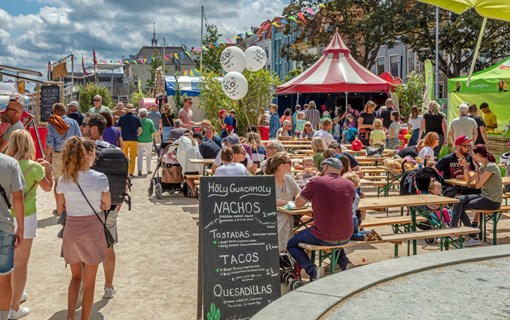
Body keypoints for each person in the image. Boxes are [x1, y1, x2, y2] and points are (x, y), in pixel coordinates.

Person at [55, 137, 110, 320]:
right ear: (87, 154)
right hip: (92, 229)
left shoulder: (63, 179)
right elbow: (107, 204)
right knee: (89, 283)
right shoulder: (100, 178)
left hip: (72, 229)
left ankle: (71, 317)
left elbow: (60, 207)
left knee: (75, 278)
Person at [6, 130, 52, 319]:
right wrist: (48, 169)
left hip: (4, 216)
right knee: (21, 263)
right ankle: (14, 307)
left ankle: (12, 294)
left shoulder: (4, 165)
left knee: (6, 261)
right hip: (26, 217)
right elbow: (48, 187)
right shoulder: (35, 167)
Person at [287, 158, 355, 280]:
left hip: (324, 234)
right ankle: (345, 263)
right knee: (334, 231)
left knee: (291, 244)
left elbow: (298, 203)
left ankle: (312, 270)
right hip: (347, 234)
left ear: (325, 167)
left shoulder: (316, 181)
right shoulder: (350, 184)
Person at [81, 113, 126, 300]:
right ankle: (108, 287)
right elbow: (123, 178)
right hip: (110, 206)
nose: (82, 128)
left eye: (85, 125)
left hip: (84, 208)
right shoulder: (115, 150)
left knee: (84, 249)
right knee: (108, 246)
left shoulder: (82, 151)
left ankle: (84, 285)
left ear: (93, 129)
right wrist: (118, 202)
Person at [451, 145, 502, 247]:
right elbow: (469, 180)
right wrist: (465, 166)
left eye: (473, 154)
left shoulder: (491, 166)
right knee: (458, 200)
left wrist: (476, 169)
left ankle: (468, 235)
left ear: (478, 155)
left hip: (492, 201)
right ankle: (457, 230)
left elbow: (478, 185)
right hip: (484, 196)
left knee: (460, 206)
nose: (472, 157)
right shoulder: (483, 166)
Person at [0, 152, 25, 320]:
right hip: (3, 227)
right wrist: (20, 228)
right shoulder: (10, 163)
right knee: (4, 277)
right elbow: (18, 198)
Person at [264, 152, 300, 252]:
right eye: (290, 164)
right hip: (270, 214)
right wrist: (289, 202)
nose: (291, 166)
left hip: (289, 213)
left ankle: (284, 252)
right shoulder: (267, 180)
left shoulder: (289, 179)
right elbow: (268, 200)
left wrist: (297, 201)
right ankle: (278, 251)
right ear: (281, 165)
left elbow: (299, 194)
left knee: (287, 218)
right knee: (283, 219)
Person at [118, 104, 142, 177]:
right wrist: (137, 134)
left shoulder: (121, 118)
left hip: (124, 139)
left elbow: (119, 129)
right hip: (133, 139)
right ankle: (131, 172)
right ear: (133, 110)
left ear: (125, 109)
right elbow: (140, 129)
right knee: (133, 156)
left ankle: (126, 171)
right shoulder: (136, 118)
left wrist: (120, 137)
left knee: (125, 156)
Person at [137, 108, 156, 176]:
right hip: (148, 140)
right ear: (146, 114)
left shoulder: (138, 121)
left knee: (140, 156)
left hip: (139, 140)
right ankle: (149, 169)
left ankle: (139, 170)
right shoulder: (150, 121)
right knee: (148, 155)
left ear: (140, 114)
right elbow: (153, 131)